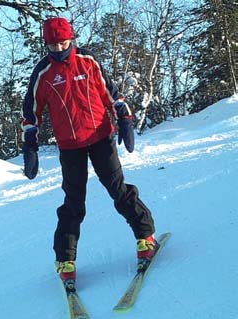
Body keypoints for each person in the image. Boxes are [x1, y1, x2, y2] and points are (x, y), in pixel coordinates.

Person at [21, 17, 157, 282]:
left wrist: (125, 117)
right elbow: (31, 112)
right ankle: (65, 260)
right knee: (73, 202)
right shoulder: (42, 73)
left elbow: (112, 94)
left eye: (63, 42)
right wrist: (30, 144)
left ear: (71, 39)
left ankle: (145, 236)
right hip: (70, 146)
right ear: (46, 45)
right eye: (53, 45)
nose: (59, 49)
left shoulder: (88, 61)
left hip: (100, 137)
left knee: (118, 189)